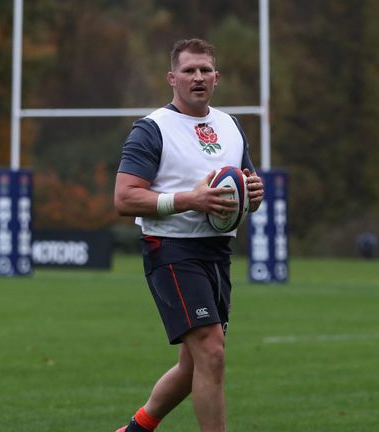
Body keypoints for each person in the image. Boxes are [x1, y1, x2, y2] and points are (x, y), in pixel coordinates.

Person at [113, 38, 264, 432]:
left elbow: (242, 189)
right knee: (212, 352)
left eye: (205, 70)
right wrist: (188, 200)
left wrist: (254, 195)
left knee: (194, 363)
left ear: (216, 77)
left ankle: (136, 428)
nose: (198, 77)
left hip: (218, 252)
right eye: (188, 70)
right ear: (172, 78)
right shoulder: (152, 129)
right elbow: (125, 198)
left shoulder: (231, 126)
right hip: (172, 251)